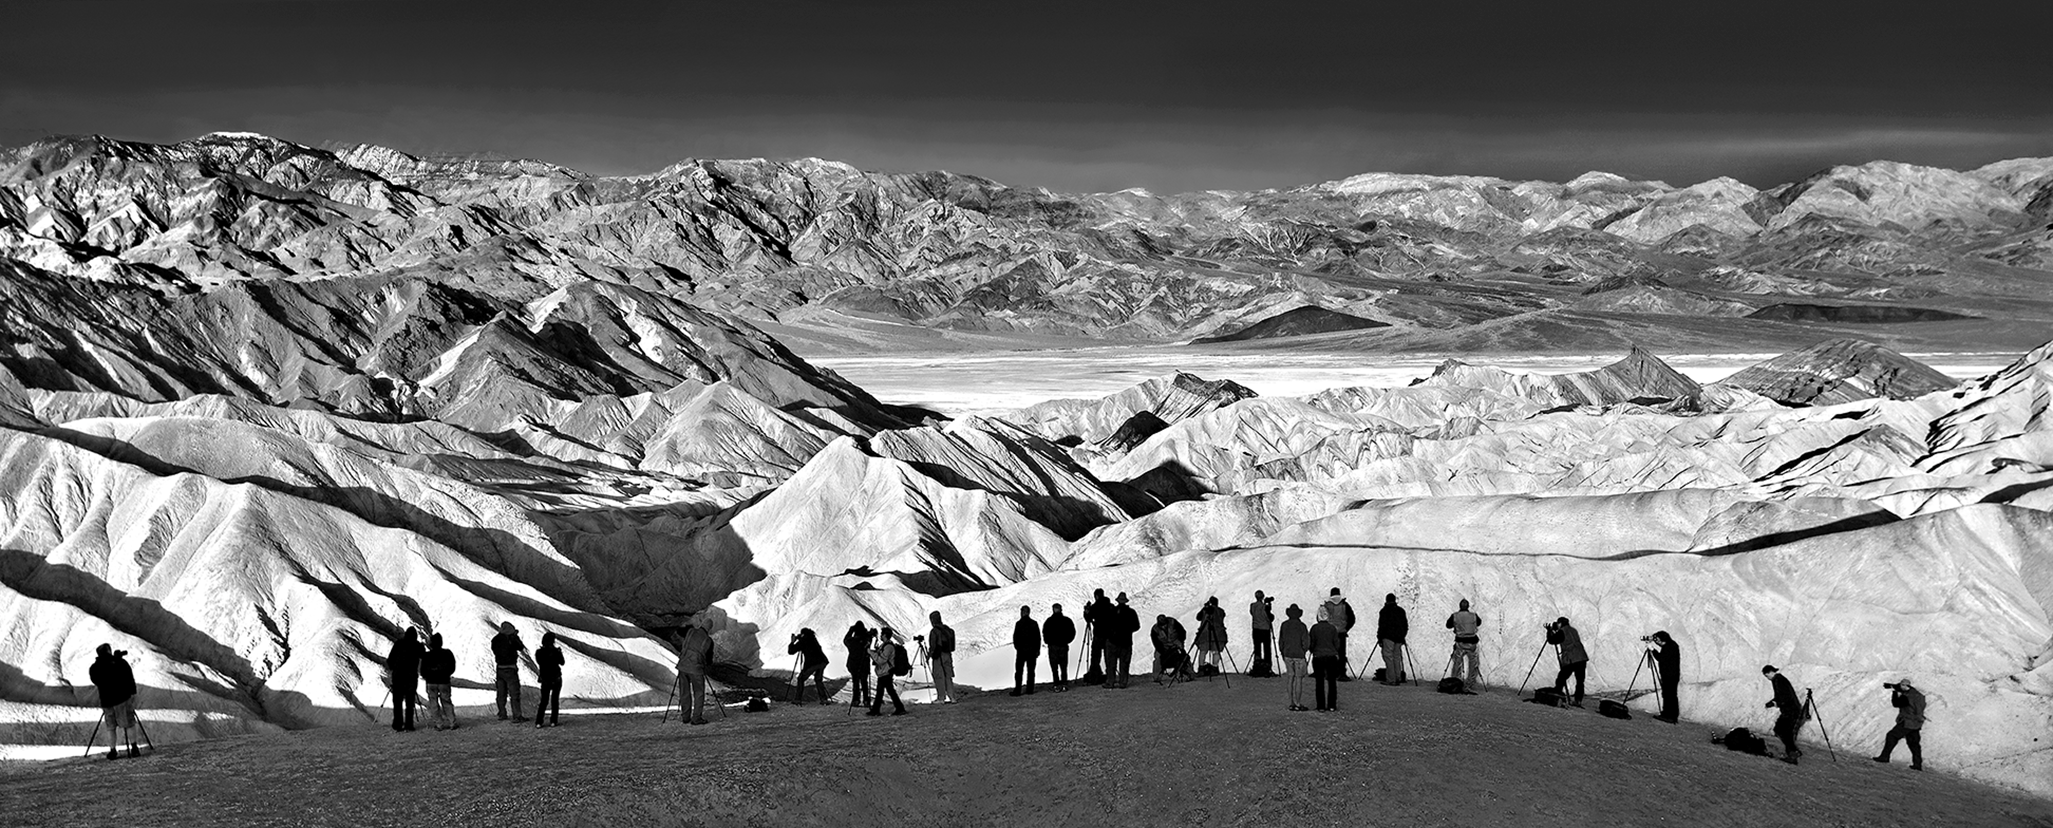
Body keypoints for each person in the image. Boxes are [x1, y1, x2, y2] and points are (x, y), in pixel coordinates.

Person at [88, 644, 140, 759]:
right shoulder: (119, 662)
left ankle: (112, 750)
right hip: (122, 698)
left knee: (110, 727)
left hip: (107, 701)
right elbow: (128, 676)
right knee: (129, 723)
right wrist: (132, 692)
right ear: (109, 651)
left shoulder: (94, 668)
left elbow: (95, 680)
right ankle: (134, 748)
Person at [1873, 677, 1925, 770]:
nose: (1900, 686)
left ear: (1905, 686)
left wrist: (1894, 691)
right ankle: (1917, 764)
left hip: (1908, 722)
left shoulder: (1907, 697)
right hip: (1916, 722)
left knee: (1892, 735)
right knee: (1914, 744)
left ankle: (1885, 757)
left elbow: (1896, 703)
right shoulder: (1917, 694)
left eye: (1901, 685)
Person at [675, 615, 714, 725]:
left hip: (682, 666)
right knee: (699, 692)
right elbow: (709, 660)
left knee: (684, 692)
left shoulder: (690, 631)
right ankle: (696, 718)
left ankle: (685, 716)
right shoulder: (708, 641)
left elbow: (679, 631)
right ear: (709, 629)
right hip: (696, 669)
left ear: (701, 625)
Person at [1762, 665, 1804, 764]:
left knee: (1781, 730)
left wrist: (1775, 703)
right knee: (1783, 731)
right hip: (1791, 710)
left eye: (1766, 676)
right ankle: (1793, 752)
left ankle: (1793, 753)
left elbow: (1786, 697)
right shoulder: (1779, 679)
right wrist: (1772, 702)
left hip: (1791, 711)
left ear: (1770, 672)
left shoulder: (1778, 680)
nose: (1767, 678)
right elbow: (1781, 696)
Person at [420, 633, 459, 731]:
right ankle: (452, 722)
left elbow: (422, 671)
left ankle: (439, 724)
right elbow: (452, 667)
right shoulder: (447, 653)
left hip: (431, 682)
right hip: (444, 681)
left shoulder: (426, 656)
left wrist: (427, 677)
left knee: (433, 702)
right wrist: (446, 674)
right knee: (446, 701)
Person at [1546, 617, 1588, 707]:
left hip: (1571, 659)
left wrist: (1549, 631)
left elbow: (1552, 640)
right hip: (1582, 657)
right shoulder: (1573, 630)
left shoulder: (1563, 631)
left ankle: (1558, 696)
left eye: (1558, 623)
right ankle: (1578, 700)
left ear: (1561, 623)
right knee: (1580, 681)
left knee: (1561, 678)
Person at [388, 627, 424, 731]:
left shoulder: (398, 644)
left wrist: (394, 669)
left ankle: (398, 725)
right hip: (411, 678)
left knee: (397, 702)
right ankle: (409, 725)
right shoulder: (417, 645)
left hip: (398, 677)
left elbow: (390, 660)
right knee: (410, 702)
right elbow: (423, 656)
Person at [491, 621, 527, 722]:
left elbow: (494, 651)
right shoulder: (511, 638)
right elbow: (520, 647)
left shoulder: (495, 639)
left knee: (501, 693)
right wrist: (515, 637)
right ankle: (517, 715)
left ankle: (502, 713)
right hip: (510, 668)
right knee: (514, 693)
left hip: (500, 668)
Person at [868, 628, 907, 716]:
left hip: (885, 672)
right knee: (886, 691)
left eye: (882, 634)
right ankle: (898, 708)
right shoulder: (885, 645)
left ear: (885, 635)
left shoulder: (888, 647)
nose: (880, 636)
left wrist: (870, 652)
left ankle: (877, 710)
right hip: (884, 671)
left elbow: (881, 660)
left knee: (884, 692)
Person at [1317, 588, 1355, 680]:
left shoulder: (1327, 605)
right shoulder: (1345, 605)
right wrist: (1346, 628)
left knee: (1329, 653)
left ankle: (1329, 673)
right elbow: (1352, 619)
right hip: (1341, 633)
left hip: (1329, 633)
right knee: (1341, 654)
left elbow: (1320, 618)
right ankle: (1341, 673)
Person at [1309, 611, 1343, 711]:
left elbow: (1311, 642)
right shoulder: (1332, 628)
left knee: (1319, 681)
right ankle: (1332, 705)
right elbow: (1337, 643)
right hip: (1331, 656)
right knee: (1332, 681)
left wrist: (1313, 650)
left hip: (1318, 656)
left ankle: (1321, 706)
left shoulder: (1314, 628)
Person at [1279, 604, 1311, 711]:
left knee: (1290, 678)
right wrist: (1303, 650)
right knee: (1298, 679)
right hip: (1299, 655)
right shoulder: (1302, 626)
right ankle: (1298, 703)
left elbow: (1281, 641)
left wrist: (1283, 652)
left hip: (1287, 654)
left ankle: (1291, 702)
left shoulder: (1284, 625)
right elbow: (1306, 642)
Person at [788, 628, 829, 704]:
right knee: (818, 679)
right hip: (822, 661)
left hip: (811, 664)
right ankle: (824, 699)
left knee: (801, 679)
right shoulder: (813, 639)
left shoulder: (803, 641)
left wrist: (792, 642)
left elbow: (791, 651)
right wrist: (800, 638)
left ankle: (798, 699)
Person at [1445, 599, 1481, 687]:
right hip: (1472, 643)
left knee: (1457, 662)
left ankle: (1456, 681)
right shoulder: (1473, 615)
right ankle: (1470, 683)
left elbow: (1448, 625)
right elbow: (1479, 623)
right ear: (1468, 606)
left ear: (1460, 606)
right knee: (1473, 663)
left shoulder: (1455, 616)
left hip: (1460, 642)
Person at [1107, 592, 1139, 688]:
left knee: (1111, 663)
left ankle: (1111, 682)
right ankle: (1123, 682)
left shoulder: (1112, 611)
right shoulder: (1131, 612)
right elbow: (1136, 626)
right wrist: (1127, 631)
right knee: (1124, 664)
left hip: (1113, 641)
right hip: (1126, 642)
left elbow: (1107, 625)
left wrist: (1112, 634)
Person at [1649, 631, 1681, 723]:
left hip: (1669, 676)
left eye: (1658, 639)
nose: (1657, 642)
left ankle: (1670, 716)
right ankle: (1668, 714)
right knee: (1669, 695)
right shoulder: (1671, 645)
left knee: (1669, 696)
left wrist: (1652, 649)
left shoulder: (1669, 647)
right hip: (1671, 675)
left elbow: (1660, 658)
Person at [1377, 594, 1409, 686]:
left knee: (1388, 657)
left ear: (1386, 600)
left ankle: (1391, 679)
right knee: (1396, 657)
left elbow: (1382, 626)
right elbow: (1405, 625)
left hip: (1388, 637)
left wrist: (1379, 638)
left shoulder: (1384, 611)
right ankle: (1398, 677)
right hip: (1399, 638)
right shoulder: (1401, 611)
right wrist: (1403, 636)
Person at [535, 632, 565, 727]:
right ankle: (553, 721)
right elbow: (562, 662)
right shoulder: (556, 651)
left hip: (545, 679)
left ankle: (539, 722)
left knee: (544, 701)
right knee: (554, 700)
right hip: (556, 677)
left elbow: (540, 662)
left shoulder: (539, 652)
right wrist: (559, 652)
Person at [927, 611, 957, 704]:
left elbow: (933, 646)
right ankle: (952, 697)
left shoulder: (934, 631)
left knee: (939, 676)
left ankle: (941, 698)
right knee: (948, 675)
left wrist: (929, 655)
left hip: (938, 656)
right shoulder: (947, 630)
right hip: (948, 654)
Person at [1043, 603, 1075, 691]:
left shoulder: (1049, 621)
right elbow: (1072, 632)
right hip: (1063, 646)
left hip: (1053, 646)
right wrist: (1067, 641)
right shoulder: (1067, 621)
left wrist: (1048, 642)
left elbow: (1045, 633)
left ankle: (1056, 684)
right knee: (1063, 666)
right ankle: (1064, 684)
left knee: (1054, 667)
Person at [1083, 588, 1112, 684]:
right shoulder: (1110, 606)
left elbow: (1088, 618)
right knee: (1109, 657)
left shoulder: (1095, 607)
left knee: (1095, 656)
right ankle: (1110, 677)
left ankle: (1094, 678)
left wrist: (1086, 611)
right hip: (1109, 635)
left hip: (1098, 635)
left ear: (1096, 596)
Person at [844, 622, 875, 708]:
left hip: (854, 665)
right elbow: (870, 639)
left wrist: (851, 630)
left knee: (855, 682)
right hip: (864, 664)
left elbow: (845, 640)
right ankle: (866, 700)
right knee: (864, 682)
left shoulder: (852, 641)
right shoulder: (866, 640)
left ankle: (855, 700)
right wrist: (868, 633)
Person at [1012, 606, 1041, 696]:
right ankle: (1030, 690)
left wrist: (1018, 648)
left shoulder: (1019, 624)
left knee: (1019, 672)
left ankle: (1018, 690)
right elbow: (1038, 638)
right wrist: (1037, 650)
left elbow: (1015, 638)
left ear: (1022, 612)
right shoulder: (1034, 623)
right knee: (1031, 671)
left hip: (1021, 652)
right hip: (1032, 651)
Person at [1194, 597, 1228, 674]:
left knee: (1203, 651)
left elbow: (1198, 617)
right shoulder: (1221, 611)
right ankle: (1214, 668)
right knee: (1216, 651)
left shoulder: (1205, 610)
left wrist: (1205, 608)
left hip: (1205, 633)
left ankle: (1201, 668)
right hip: (1218, 633)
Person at [1249, 591, 1275, 675]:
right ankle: (1267, 667)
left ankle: (1257, 665)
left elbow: (1253, 613)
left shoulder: (1252, 606)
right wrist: (1268, 606)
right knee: (1267, 649)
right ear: (1262, 597)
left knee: (1257, 648)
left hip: (1256, 629)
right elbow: (1270, 618)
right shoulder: (1264, 607)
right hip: (1265, 629)